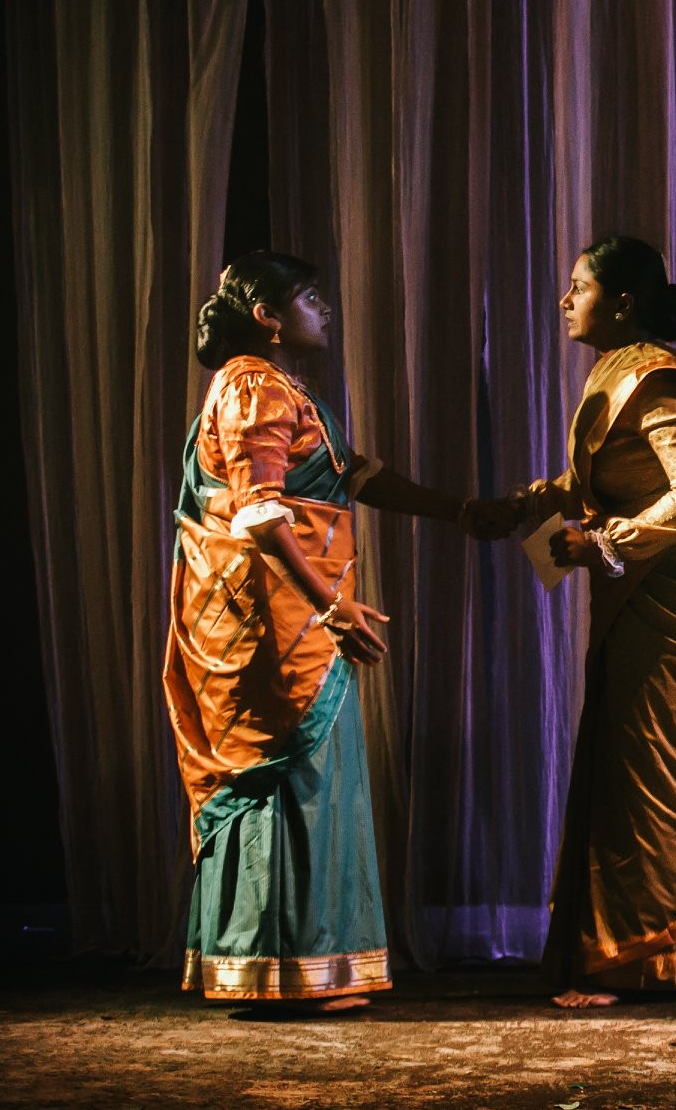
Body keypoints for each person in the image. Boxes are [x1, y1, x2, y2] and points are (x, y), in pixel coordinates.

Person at [165, 250, 470, 1012]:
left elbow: (351, 475)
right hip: (268, 614)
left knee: (310, 774)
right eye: (309, 296)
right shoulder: (254, 386)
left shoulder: (280, 389)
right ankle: (275, 968)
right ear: (268, 316)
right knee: (283, 772)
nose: (324, 308)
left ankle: (308, 964)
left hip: (290, 608)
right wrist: (329, 604)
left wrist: (461, 512)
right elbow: (259, 509)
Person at [467, 235, 676, 1009]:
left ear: (623, 303)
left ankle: (642, 958)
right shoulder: (614, 374)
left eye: (577, 287)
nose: (564, 300)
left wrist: (603, 542)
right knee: (638, 775)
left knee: (657, 775)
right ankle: (665, 952)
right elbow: (603, 477)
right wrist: (531, 504)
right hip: (644, 597)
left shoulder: (653, 380)